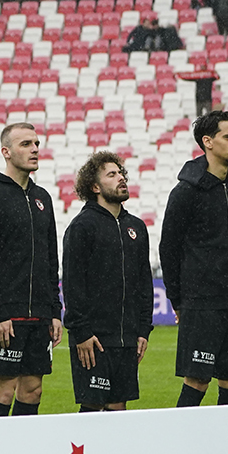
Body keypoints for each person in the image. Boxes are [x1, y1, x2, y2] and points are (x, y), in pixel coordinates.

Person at [159, 110, 228, 407]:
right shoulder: (186, 191)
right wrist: (178, 299)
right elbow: (168, 247)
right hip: (200, 301)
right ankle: (180, 444)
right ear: (208, 142)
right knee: (197, 380)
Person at [0, 123, 61, 418]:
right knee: (4, 389)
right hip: (6, 315)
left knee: (33, 389)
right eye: (26, 144)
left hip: (39, 315)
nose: (35, 148)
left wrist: (54, 311)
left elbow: (51, 260)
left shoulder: (42, 198)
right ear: (6, 152)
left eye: (36, 143)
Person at [62, 152, 152, 413]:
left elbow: (143, 282)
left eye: (121, 173)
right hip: (93, 337)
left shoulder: (136, 226)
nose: (121, 178)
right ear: (95, 186)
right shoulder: (82, 226)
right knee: (93, 405)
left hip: (126, 337)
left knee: (118, 406)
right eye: (111, 174)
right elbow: (73, 284)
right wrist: (81, 332)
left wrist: (143, 330)